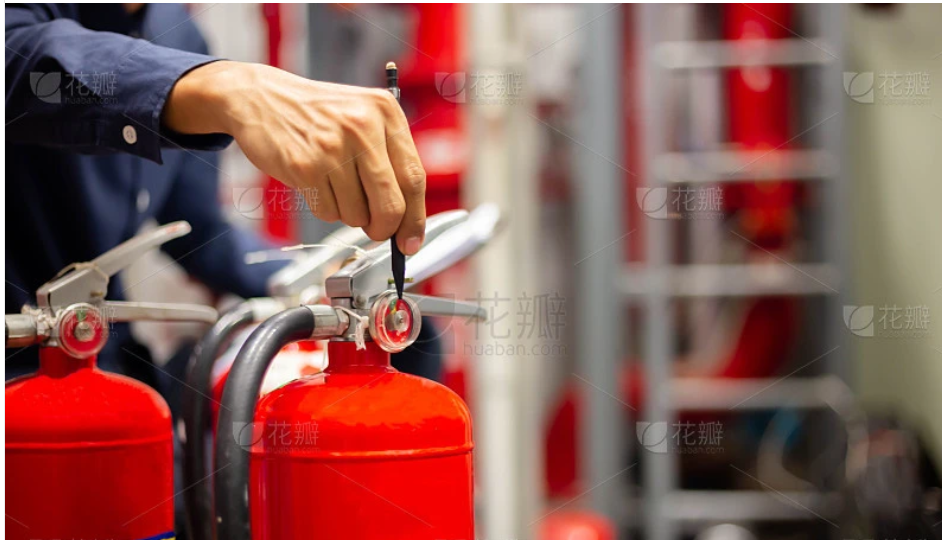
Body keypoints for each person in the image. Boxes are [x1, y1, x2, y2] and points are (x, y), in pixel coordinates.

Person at [5, 3, 433, 376]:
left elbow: (198, 231)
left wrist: (310, 274)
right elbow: (19, 54)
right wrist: (229, 87)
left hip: (110, 364)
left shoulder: (178, 32)